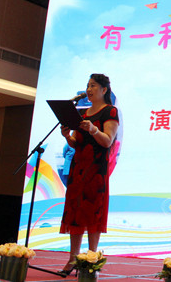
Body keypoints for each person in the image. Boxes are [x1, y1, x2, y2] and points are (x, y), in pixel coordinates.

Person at [59, 74, 120, 276]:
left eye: (93, 85)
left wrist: (93, 129)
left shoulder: (110, 111)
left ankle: (92, 259)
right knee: (75, 213)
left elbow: (107, 141)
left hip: (96, 171)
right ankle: (73, 259)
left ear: (104, 90)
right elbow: (76, 143)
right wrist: (67, 137)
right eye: (88, 85)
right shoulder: (83, 114)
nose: (89, 89)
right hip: (78, 169)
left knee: (93, 213)